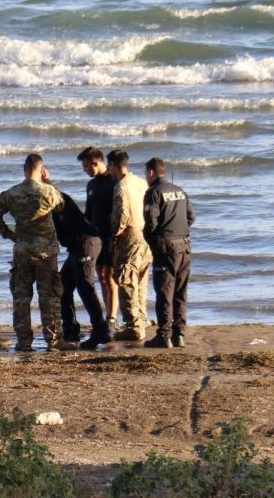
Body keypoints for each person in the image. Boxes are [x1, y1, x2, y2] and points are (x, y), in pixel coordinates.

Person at [0, 154, 74, 352]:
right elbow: (63, 206)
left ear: (24, 169)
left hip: (22, 251)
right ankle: (53, 341)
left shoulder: (11, 194)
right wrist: (49, 181)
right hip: (46, 252)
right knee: (49, 296)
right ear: (42, 170)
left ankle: (24, 342)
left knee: (21, 298)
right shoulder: (48, 191)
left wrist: (9, 234)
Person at [41, 167, 111, 349]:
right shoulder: (49, 196)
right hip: (76, 247)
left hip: (86, 243)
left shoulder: (52, 197)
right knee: (63, 287)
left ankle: (101, 330)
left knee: (85, 287)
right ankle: (71, 329)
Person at [142, 157, 195, 348]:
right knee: (180, 291)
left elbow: (151, 222)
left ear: (151, 173)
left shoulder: (153, 192)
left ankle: (164, 335)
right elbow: (191, 217)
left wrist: (152, 240)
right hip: (185, 245)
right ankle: (179, 333)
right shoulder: (179, 190)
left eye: (146, 174)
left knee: (164, 291)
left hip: (166, 247)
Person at [106, 149, 152, 342]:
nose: (108, 170)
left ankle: (134, 327)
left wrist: (113, 234)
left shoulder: (121, 187)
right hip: (145, 235)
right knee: (140, 281)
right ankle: (141, 320)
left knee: (126, 282)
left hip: (130, 237)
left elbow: (122, 215)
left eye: (109, 166)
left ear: (113, 166)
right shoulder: (141, 183)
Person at [78, 146, 120, 336]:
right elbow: (88, 213)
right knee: (101, 277)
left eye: (86, 166)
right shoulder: (91, 185)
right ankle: (106, 317)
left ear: (96, 162)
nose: (85, 170)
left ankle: (112, 318)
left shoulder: (113, 182)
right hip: (96, 239)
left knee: (110, 277)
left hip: (112, 237)